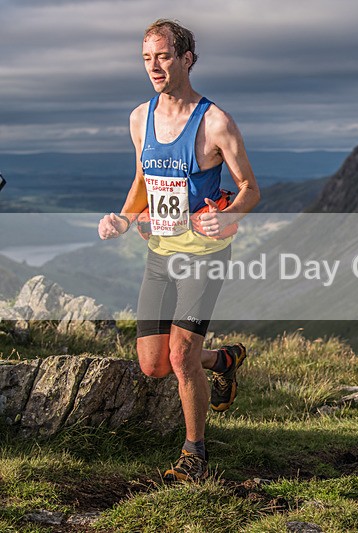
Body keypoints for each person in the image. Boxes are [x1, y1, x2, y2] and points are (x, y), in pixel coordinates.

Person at [98, 19, 260, 482]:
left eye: (163, 56)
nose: (155, 66)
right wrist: (123, 219)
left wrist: (230, 216)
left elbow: (250, 189)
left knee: (182, 355)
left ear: (187, 59)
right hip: (160, 254)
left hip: (204, 256)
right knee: (153, 364)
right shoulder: (139, 118)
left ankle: (195, 455)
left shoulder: (215, 122)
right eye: (147, 57)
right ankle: (223, 360)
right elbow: (142, 184)